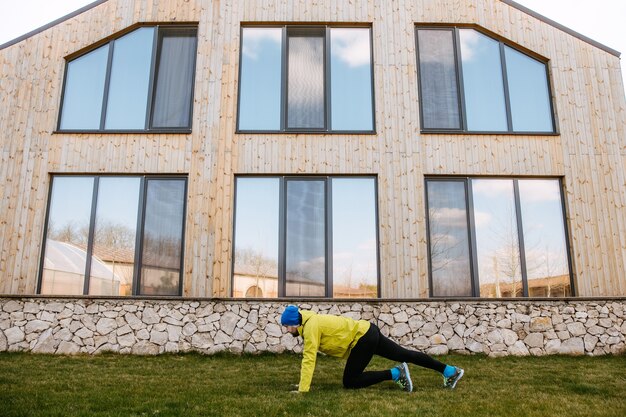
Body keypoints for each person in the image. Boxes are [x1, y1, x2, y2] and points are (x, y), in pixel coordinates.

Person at [280, 305, 464, 393]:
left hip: (362, 339)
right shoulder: (307, 321)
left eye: (287, 327)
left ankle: (396, 373)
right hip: (368, 331)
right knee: (404, 353)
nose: (287, 331)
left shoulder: (311, 326)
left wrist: (303, 389)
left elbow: (309, 358)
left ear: (295, 323)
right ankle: (449, 371)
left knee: (350, 380)